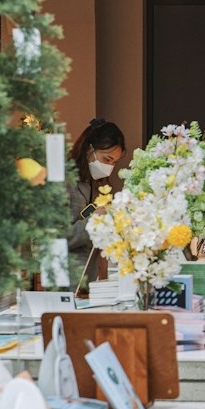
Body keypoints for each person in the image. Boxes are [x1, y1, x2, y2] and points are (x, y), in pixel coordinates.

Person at [67, 118, 125, 285]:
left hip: (89, 277)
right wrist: (94, 221)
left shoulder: (96, 182)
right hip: (65, 278)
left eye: (114, 162)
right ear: (89, 149)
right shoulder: (63, 180)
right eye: (107, 159)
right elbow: (57, 237)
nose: (110, 167)